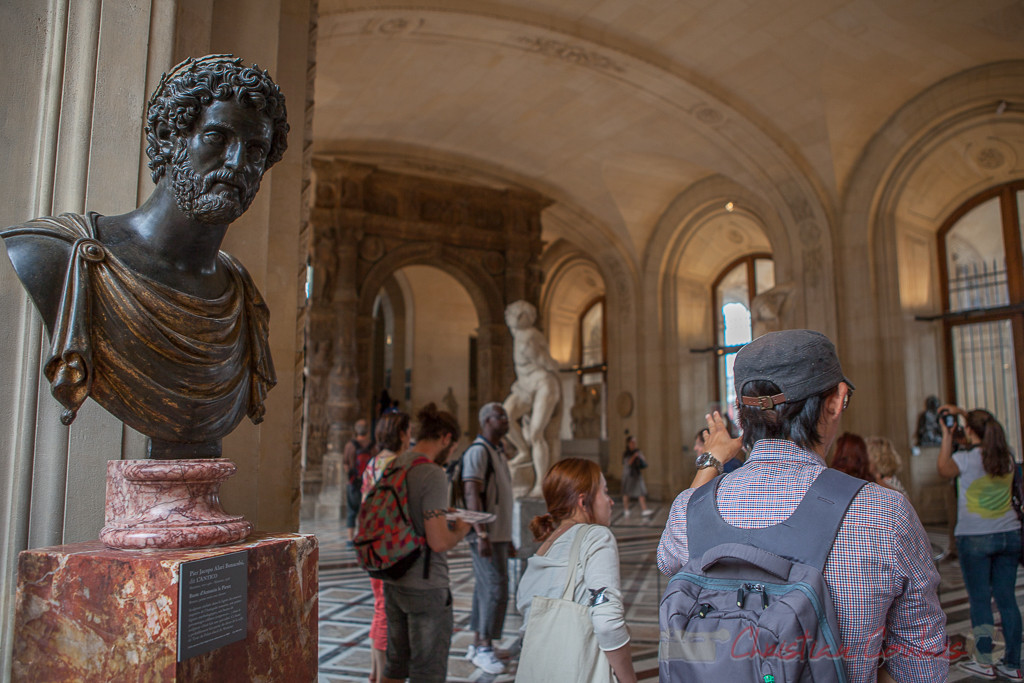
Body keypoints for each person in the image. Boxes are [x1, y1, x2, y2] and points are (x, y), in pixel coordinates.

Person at [1, 54, 288, 459]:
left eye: (256, 148)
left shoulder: (242, 297)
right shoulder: (58, 254)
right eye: (217, 138)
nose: (238, 164)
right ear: (171, 137)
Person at [658, 329, 947, 681]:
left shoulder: (688, 510)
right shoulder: (884, 512)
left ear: (739, 412)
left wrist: (712, 459)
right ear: (836, 400)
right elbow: (921, 658)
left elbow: (669, 558)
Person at [516, 458, 637, 683]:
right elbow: (607, 622)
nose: (610, 501)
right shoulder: (595, 536)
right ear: (583, 502)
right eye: (604, 492)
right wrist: (629, 679)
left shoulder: (542, 551)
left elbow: (527, 630)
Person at [382, 403, 471, 683]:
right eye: (453, 446)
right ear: (445, 438)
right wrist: (461, 529)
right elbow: (439, 541)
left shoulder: (395, 463)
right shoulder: (432, 473)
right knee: (427, 672)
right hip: (425, 583)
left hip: (393, 579)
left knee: (395, 666)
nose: (451, 453)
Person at [937, 405, 1022, 680]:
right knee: (1007, 600)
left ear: (971, 430)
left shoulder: (966, 460)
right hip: (1009, 534)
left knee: (981, 600)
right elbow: (984, 428)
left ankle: (985, 660)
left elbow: (942, 467)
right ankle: (1013, 663)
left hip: (975, 537)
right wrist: (964, 413)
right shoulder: (1005, 457)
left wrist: (946, 434)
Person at [461, 402, 514, 675]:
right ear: (485, 421)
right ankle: (484, 647)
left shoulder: (498, 451)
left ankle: (479, 643)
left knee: (488, 588)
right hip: (486, 535)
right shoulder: (478, 451)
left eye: (504, 415)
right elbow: (472, 492)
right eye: (499, 416)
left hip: (498, 535)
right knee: (495, 588)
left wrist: (508, 537)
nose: (505, 419)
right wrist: (481, 532)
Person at [362, 410, 412, 683]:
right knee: (386, 610)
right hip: (388, 547)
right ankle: (383, 676)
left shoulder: (374, 462)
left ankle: (374, 671)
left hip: (373, 543)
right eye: (409, 431)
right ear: (402, 433)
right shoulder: (396, 465)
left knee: (380, 605)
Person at [502, 300, 562, 497]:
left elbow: (546, 362)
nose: (513, 318)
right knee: (505, 416)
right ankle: (523, 451)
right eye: (513, 314)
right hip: (525, 386)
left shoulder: (530, 336)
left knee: (536, 433)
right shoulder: (517, 335)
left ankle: (540, 483)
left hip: (543, 382)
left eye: (519, 314)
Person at [344, 419, 376, 544]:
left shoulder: (349, 446)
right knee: (367, 510)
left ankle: (350, 538)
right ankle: (364, 535)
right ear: (368, 431)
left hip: (353, 483)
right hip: (368, 484)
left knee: (352, 510)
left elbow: (345, 464)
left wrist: (351, 477)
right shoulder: (373, 446)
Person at [621, 435, 653, 517]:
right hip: (629, 475)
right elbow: (628, 463)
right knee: (626, 493)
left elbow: (644, 461)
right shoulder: (626, 453)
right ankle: (626, 509)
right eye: (632, 442)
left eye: (634, 442)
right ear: (628, 443)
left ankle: (644, 509)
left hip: (637, 474)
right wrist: (634, 456)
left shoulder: (637, 451)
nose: (633, 444)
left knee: (641, 492)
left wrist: (640, 456)